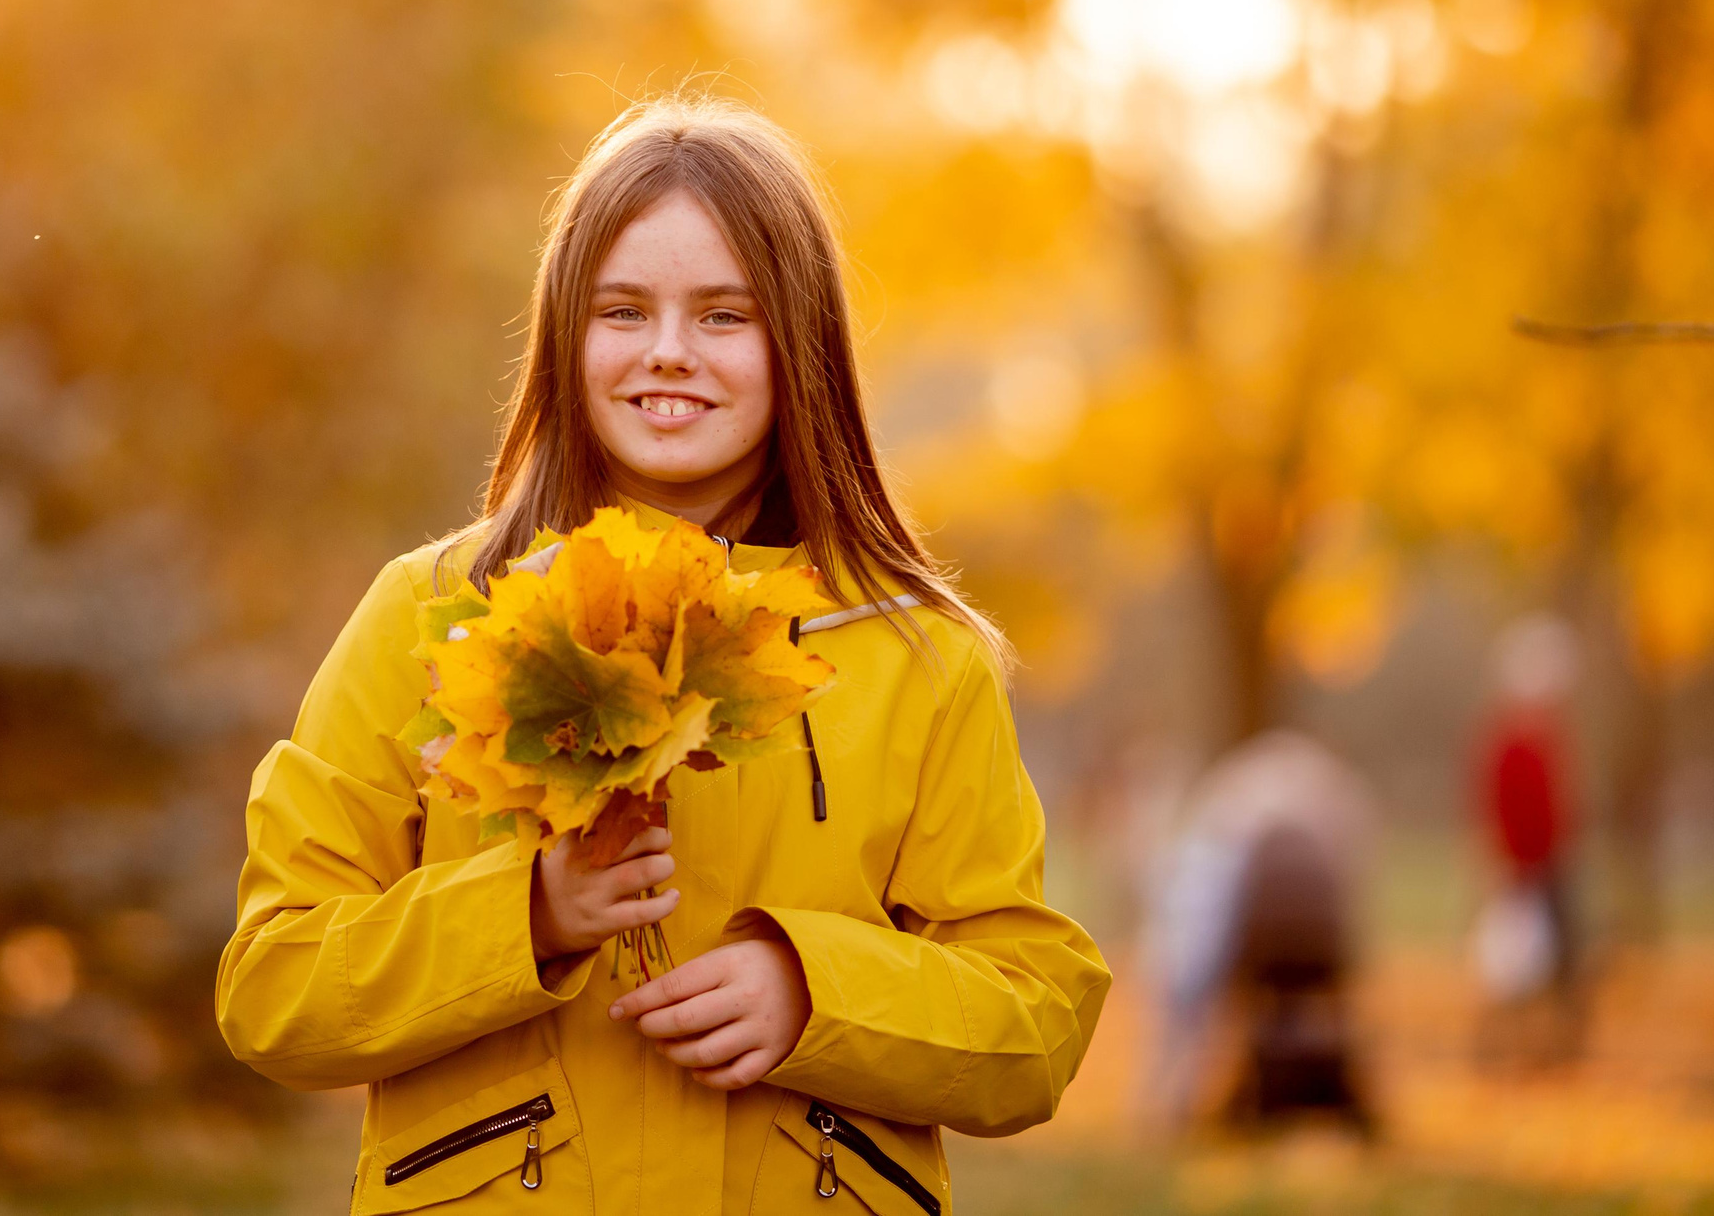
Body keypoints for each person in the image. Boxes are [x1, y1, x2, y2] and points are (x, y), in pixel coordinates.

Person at [216, 97, 1109, 1212]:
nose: (669, 351)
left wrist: (816, 991)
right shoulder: (434, 614)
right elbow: (275, 989)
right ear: (565, 335)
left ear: (802, 346)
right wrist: (526, 915)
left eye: (725, 314)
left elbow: (1035, 1020)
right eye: (623, 310)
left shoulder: (913, 656)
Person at [1150, 729, 1375, 1134]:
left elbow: (1194, 950)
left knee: (1193, 989)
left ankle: (1173, 1100)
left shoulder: (1227, 807)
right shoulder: (1326, 793)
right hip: (1318, 948)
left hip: (1256, 945)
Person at [1469, 612, 1584, 1065]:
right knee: (1513, 967)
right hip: (1518, 868)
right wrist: (1499, 864)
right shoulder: (1509, 741)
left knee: (1559, 961)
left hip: (1551, 864)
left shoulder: (1548, 737)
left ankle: (1552, 1048)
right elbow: (1492, 808)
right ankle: (1504, 1049)